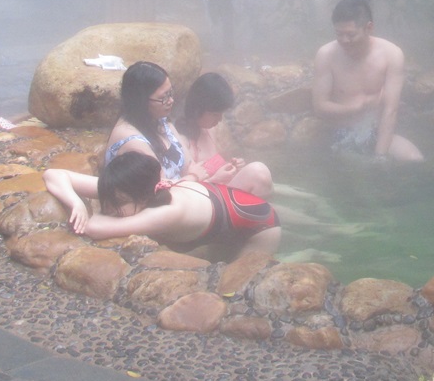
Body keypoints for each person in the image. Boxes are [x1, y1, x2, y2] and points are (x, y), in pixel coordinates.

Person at [43, 151, 281, 258]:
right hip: (224, 204)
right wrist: (76, 203)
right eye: (108, 200)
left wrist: (87, 214)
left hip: (260, 225)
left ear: (144, 198)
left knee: (235, 285)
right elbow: (53, 174)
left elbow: (93, 228)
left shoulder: (165, 213)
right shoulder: (128, 187)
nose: (111, 208)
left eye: (121, 204)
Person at [312, 0, 424, 161]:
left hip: (377, 131)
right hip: (342, 134)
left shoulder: (391, 54)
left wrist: (380, 156)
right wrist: (354, 108)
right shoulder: (326, 55)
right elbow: (320, 107)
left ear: (368, 28)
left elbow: (390, 110)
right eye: (339, 34)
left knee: (414, 158)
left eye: (350, 34)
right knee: (358, 167)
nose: (344, 40)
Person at [174, 72, 275, 198]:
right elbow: (183, 191)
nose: (220, 119)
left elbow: (212, 166)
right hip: (206, 200)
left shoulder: (208, 130)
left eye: (221, 113)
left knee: (270, 189)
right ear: (197, 109)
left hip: (220, 190)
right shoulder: (182, 141)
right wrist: (215, 179)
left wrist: (232, 166)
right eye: (215, 114)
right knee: (259, 173)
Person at [104, 61, 186, 181]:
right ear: (140, 101)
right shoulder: (131, 139)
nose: (171, 100)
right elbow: (161, 188)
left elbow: (189, 163)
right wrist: (193, 177)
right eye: (163, 98)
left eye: (170, 93)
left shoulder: (159, 119)